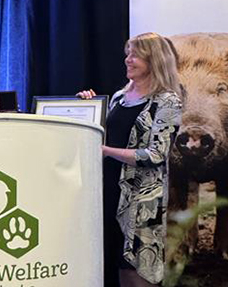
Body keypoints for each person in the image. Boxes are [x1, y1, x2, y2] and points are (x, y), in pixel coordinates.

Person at [78, 32, 182, 286]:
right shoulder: (118, 98)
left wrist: (107, 151)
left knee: (137, 272)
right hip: (110, 194)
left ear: (154, 60)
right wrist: (88, 107)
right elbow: (100, 134)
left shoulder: (167, 101)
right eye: (128, 54)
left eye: (135, 54)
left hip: (142, 203)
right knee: (114, 264)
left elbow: (156, 155)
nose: (128, 59)